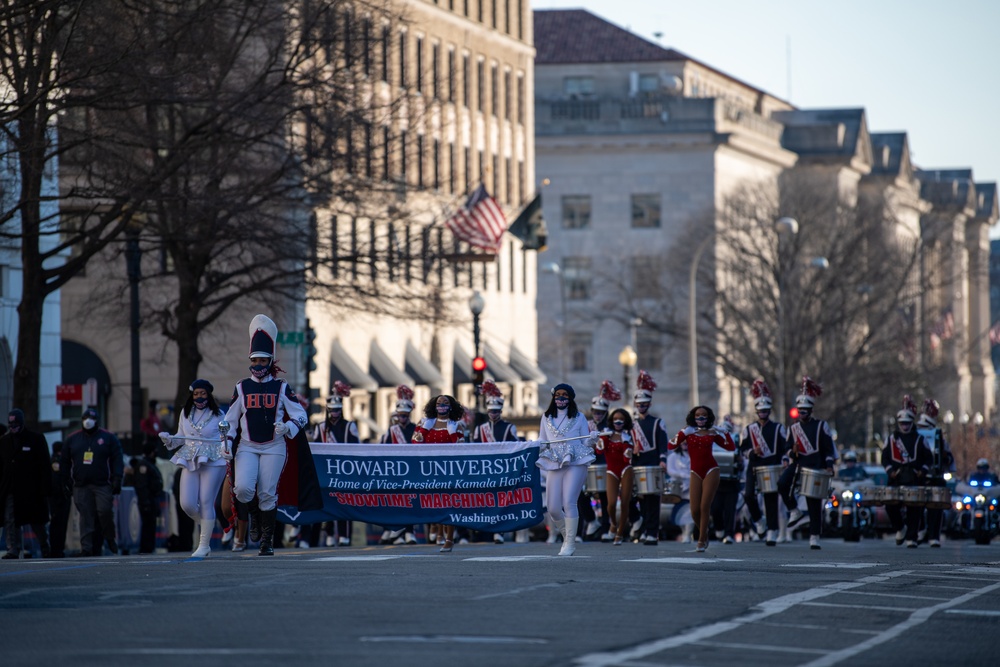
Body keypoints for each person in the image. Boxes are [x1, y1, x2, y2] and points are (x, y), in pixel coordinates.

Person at [223, 314, 309, 556]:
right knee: (242, 489)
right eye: (255, 360)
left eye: (263, 360)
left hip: (274, 446)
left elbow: (301, 415)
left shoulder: (281, 386)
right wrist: (226, 441)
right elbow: (228, 421)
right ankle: (254, 515)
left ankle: (266, 541)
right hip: (248, 446)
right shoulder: (241, 386)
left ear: (270, 361)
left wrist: (288, 427)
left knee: (268, 493)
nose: (258, 364)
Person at [159, 379, 227, 558]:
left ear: (209, 395)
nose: (199, 397)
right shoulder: (185, 413)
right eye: (196, 394)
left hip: (213, 459)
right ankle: (208, 524)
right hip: (189, 457)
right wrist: (169, 439)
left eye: (203, 393)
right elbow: (181, 437)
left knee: (206, 500)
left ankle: (204, 545)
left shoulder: (219, 414)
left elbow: (227, 437)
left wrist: (227, 450)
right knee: (187, 503)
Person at [536, 383, 596, 556]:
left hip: (575, 460)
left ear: (570, 397)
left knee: (569, 501)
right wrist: (535, 445)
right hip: (554, 460)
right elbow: (543, 439)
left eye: (565, 395)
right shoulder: (546, 417)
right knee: (553, 507)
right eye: (558, 394)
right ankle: (567, 535)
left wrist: (591, 439)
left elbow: (585, 442)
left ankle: (569, 543)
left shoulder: (579, 417)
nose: (561, 398)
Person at [777, 376, 836, 550]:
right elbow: (787, 448)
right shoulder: (793, 428)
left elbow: (828, 449)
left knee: (813, 501)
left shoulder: (821, 426)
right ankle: (794, 510)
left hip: (815, 465)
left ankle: (814, 535)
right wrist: (792, 451)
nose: (801, 414)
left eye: (804, 411)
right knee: (782, 484)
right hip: (798, 464)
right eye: (799, 411)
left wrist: (829, 465)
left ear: (810, 410)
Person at [668, 406, 735, 552]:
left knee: (705, 506)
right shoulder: (689, 432)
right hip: (695, 472)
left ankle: (700, 539)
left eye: (704, 416)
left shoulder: (712, 433)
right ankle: (704, 533)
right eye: (697, 416)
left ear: (708, 417)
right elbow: (670, 445)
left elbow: (730, 447)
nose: (700, 418)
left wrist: (725, 433)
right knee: (694, 510)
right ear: (693, 417)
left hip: (712, 470)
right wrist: (683, 432)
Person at [61, 408, 123, 556]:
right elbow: (64, 462)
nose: (88, 421)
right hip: (81, 484)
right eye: (85, 418)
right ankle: (86, 548)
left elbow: (117, 459)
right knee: (85, 516)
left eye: (91, 418)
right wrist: (65, 480)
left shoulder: (108, 438)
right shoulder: (72, 439)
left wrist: (117, 478)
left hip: (102, 484)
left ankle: (109, 537)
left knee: (104, 511)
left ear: (97, 421)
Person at [413, 394, 466, 552]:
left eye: (445, 403)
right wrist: (421, 434)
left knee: (448, 503)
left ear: (451, 407)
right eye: (439, 403)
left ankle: (449, 538)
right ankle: (437, 529)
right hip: (429, 469)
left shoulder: (456, 426)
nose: (442, 405)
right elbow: (414, 443)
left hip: (448, 469)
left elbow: (462, 449)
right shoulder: (424, 424)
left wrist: (452, 432)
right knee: (435, 503)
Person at [739, 379, 789, 547]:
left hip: (772, 466)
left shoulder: (778, 428)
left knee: (771, 499)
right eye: (760, 410)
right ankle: (759, 520)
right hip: (754, 466)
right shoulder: (749, 429)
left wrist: (785, 459)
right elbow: (742, 449)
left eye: (765, 410)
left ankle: (772, 531)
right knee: (748, 495)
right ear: (756, 411)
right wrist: (753, 452)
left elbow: (785, 447)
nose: (763, 413)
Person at [310, 381, 359, 547]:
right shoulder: (321, 426)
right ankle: (330, 534)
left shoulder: (350, 426)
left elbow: (357, 449)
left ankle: (344, 535)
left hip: (346, 471)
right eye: (331, 410)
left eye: (337, 410)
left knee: (346, 502)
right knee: (328, 502)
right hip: (326, 471)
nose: (334, 413)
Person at [881, 395, 932, 548]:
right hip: (896, 478)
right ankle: (900, 528)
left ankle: (912, 537)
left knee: (914, 508)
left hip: (914, 478)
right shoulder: (891, 439)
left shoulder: (920, 439)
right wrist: (891, 472)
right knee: (890, 505)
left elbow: (928, 459)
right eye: (902, 423)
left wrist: (921, 471)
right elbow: (884, 458)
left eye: (907, 423)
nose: (904, 426)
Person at [0, 409, 52, 559]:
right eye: (11, 424)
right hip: (10, 487)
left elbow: (44, 465)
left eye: (15, 424)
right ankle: (13, 549)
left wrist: (45, 488)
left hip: (31, 488)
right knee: (10, 519)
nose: (13, 427)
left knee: (37, 521)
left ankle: (44, 545)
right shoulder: (4, 442)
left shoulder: (36, 439)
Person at [473, 380, 518, 544]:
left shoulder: (509, 427)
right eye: (491, 411)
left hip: (502, 469)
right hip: (485, 470)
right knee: (486, 501)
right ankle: (486, 530)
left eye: (496, 411)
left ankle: (499, 531)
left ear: (501, 410)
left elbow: (515, 447)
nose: (493, 414)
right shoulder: (480, 428)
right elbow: (475, 450)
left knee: (501, 501)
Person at [631, 371, 668, 545]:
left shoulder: (658, 422)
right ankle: (644, 527)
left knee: (653, 499)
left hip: (653, 463)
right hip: (638, 464)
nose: (642, 406)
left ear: (649, 404)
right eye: (639, 404)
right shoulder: (632, 425)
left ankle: (652, 531)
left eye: (644, 403)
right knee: (640, 499)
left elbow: (663, 443)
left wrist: (663, 460)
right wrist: (632, 451)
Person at [378, 385, 419, 545]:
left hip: (412, 472)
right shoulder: (391, 431)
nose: (402, 418)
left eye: (405, 415)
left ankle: (409, 532)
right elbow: (382, 450)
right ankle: (394, 532)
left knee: (410, 502)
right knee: (394, 502)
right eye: (400, 415)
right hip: (394, 472)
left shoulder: (416, 429)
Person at [597, 408, 638, 545]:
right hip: (612, 471)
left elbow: (628, 459)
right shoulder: (607, 434)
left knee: (625, 502)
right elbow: (599, 450)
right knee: (611, 504)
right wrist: (602, 439)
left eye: (621, 419)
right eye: (615, 419)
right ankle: (613, 524)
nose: (618, 421)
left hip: (626, 469)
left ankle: (620, 533)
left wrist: (628, 448)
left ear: (625, 421)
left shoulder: (628, 436)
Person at [916, 398, 951, 548]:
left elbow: (948, 457)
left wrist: (943, 457)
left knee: (936, 506)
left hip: (936, 475)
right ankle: (921, 531)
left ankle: (933, 535)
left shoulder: (939, 437)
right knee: (916, 506)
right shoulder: (916, 436)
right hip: (920, 475)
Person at [585, 381, 615, 541]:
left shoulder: (610, 426)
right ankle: (590, 521)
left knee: (605, 497)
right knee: (579, 495)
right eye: (595, 412)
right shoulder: (586, 425)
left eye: (600, 412)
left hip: (605, 464)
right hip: (588, 465)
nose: (597, 415)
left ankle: (606, 527)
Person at [710, 415, 742, 544]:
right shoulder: (712, 442)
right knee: (715, 509)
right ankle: (719, 529)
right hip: (716, 482)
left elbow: (739, 459)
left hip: (731, 482)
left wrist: (739, 462)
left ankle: (729, 534)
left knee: (730, 510)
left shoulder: (735, 440)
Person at [129, 442, 164, 554]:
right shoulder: (144, 465)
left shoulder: (150, 464)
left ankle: (149, 546)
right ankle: (146, 547)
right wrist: (145, 502)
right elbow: (142, 485)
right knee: (147, 524)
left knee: (151, 524)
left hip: (152, 498)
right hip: (148, 499)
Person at [47, 441, 71, 558]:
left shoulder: (55, 460)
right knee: (59, 524)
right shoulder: (57, 461)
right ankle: (57, 549)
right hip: (59, 497)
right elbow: (59, 479)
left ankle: (56, 549)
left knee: (57, 524)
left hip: (57, 496)